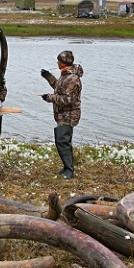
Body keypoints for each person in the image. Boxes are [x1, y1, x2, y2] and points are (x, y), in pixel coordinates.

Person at [40, 50, 83, 179]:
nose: (57, 62)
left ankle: (69, 171)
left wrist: (50, 97)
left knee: (62, 141)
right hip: (63, 115)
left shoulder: (72, 79)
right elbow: (58, 86)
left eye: (58, 60)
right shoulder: (66, 76)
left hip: (68, 115)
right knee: (63, 141)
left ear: (64, 63)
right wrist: (48, 76)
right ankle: (66, 167)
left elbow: (67, 100)